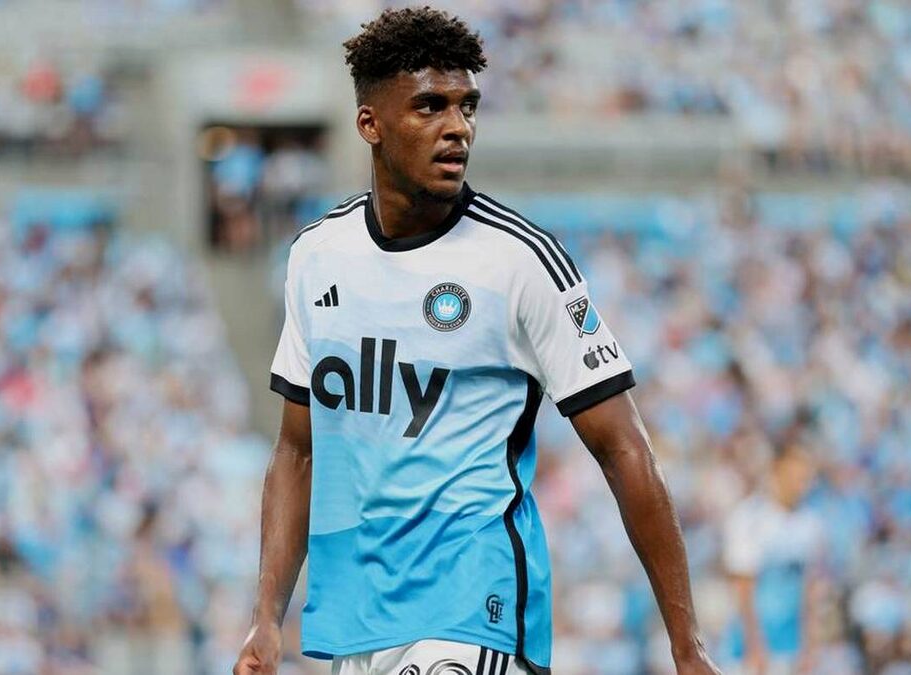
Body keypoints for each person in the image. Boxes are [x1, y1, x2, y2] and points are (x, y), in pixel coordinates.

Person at [235, 7, 721, 675]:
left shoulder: (519, 260)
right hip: (357, 623)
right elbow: (298, 450)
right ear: (370, 124)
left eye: (467, 106)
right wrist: (265, 617)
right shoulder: (316, 257)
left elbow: (624, 446)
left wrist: (687, 647)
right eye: (429, 106)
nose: (457, 126)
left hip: (473, 611)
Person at [723, 443, 820, 675]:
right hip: (749, 651)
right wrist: (755, 646)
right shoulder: (749, 517)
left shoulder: (810, 523)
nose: (800, 484)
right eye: (794, 476)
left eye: (805, 478)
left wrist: (810, 647)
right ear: (777, 471)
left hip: (790, 648)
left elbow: (809, 590)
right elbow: (742, 588)